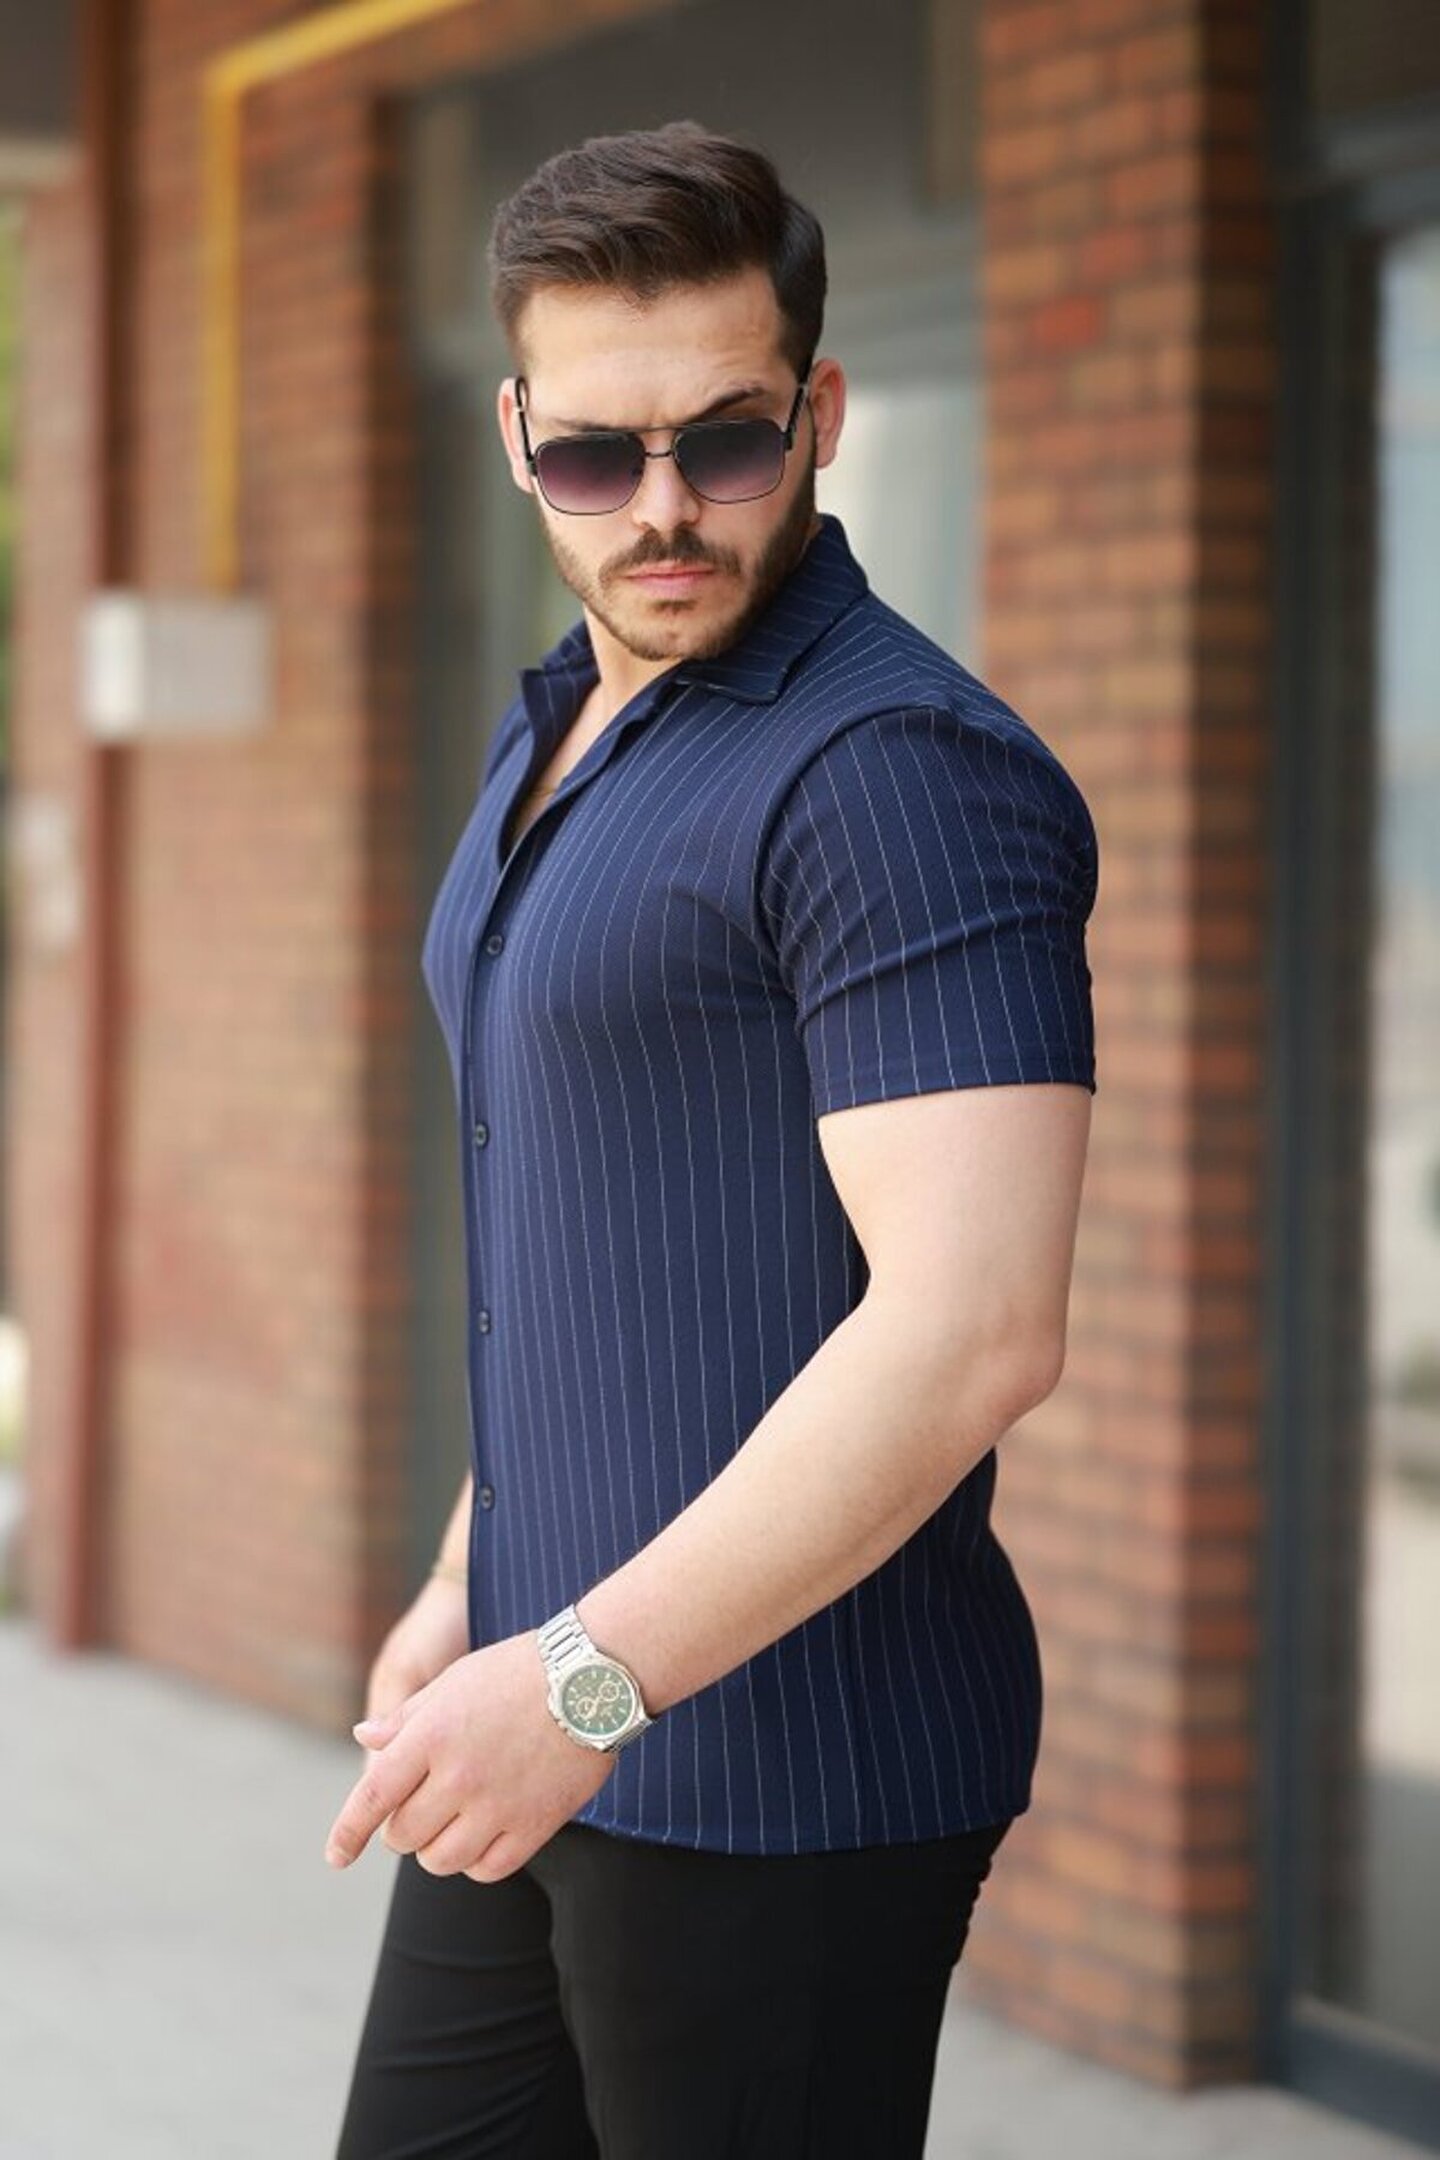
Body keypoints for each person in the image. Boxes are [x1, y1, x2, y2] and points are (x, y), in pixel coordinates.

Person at [326, 119, 1097, 2159]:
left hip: (779, 1783)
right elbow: (589, 1231)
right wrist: (473, 1576)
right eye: (598, 454)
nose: (661, 508)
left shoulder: (894, 774)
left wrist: (574, 1681)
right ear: (519, 441)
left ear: (819, 413)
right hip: (546, 1700)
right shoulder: (566, 720)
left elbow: (974, 1326)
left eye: (726, 442)